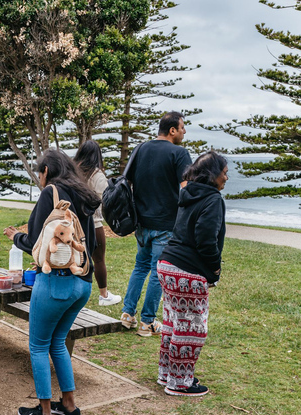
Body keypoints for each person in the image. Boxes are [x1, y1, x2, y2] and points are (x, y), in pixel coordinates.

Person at [4, 150, 100, 415]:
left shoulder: (51, 193)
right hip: (82, 282)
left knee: (37, 345)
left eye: (39, 171)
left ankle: (45, 413)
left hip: (55, 282)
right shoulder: (84, 194)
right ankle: (69, 406)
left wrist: (15, 237)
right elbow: (90, 243)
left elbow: (35, 239)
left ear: (46, 170)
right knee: (58, 343)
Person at [157, 152, 228, 397]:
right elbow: (206, 240)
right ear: (213, 174)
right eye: (224, 172)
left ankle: (168, 373)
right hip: (187, 271)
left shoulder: (187, 194)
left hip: (167, 264)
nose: (226, 178)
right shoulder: (213, 199)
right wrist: (215, 268)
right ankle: (180, 383)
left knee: (173, 323)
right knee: (191, 329)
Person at [121, 111, 192, 337]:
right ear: (172, 130)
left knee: (140, 267)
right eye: (182, 128)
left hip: (141, 223)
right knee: (157, 272)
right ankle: (147, 322)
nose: (184, 131)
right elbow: (187, 189)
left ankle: (127, 314)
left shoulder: (140, 149)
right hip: (165, 225)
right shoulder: (179, 153)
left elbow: (127, 183)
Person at [74, 140, 121, 306]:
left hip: (73, 224)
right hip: (93, 224)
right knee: (99, 260)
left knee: (76, 259)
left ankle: (73, 292)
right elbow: (107, 199)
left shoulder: (73, 172)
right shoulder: (96, 175)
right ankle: (104, 295)